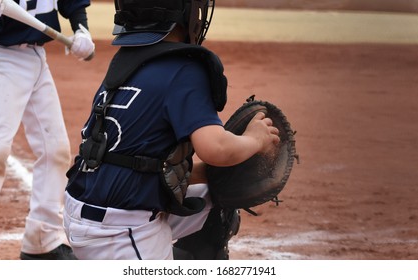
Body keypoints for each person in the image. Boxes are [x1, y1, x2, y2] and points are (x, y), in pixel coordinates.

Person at [63, 0, 279, 260]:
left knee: (215, 195)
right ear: (186, 14)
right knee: (222, 191)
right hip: (120, 234)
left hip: (83, 214)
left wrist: (206, 174)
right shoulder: (185, 68)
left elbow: (133, 159)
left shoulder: (126, 62)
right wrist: (255, 140)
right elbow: (217, 148)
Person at [0, 0, 95, 259]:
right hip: (2, 56)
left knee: (55, 149)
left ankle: (42, 240)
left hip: (37, 58)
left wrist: (81, 28)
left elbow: (71, 2)